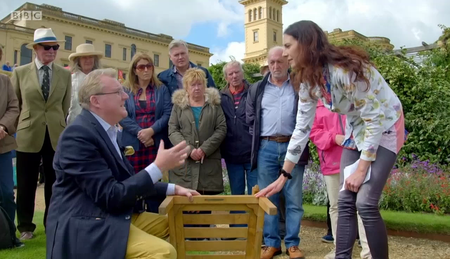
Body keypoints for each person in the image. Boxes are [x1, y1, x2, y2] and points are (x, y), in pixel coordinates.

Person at [256, 20, 405, 259]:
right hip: (357, 130)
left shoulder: (344, 71)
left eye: (288, 45)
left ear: (306, 44)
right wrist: (284, 175)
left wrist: (362, 169)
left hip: (386, 125)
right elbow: (301, 129)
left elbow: (375, 119)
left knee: (365, 203)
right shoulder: (307, 80)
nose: (284, 53)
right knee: (345, 200)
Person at [46, 68, 200, 259]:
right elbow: (111, 195)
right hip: (87, 224)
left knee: (176, 222)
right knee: (163, 252)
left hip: (111, 214)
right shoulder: (77, 136)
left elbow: (126, 182)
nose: (126, 97)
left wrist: (172, 188)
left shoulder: (107, 130)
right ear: (96, 101)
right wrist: (159, 167)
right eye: (118, 92)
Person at [247, 46, 309, 259]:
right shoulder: (257, 89)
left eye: (280, 61)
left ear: (288, 62)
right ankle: (271, 243)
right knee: (268, 197)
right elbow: (250, 117)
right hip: (266, 147)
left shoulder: (299, 86)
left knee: (294, 199)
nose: (275, 66)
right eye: (272, 62)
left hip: (294, 146)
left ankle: (292, 243)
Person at [11, 28, 71, 240]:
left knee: (55, 182)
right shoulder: (19, 73)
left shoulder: (64, 74)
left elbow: (65, 107)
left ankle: (51, 222)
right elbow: (15, 104)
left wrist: (57, 124)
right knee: (26, 182)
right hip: (28, 133)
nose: (52, 51)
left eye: (55, 47)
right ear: (36, 49)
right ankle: (25, 226)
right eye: (47, 47)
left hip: (56, 134)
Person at [310, 99, 371, 259]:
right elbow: (313, 132)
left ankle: (368, 252)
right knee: (336, 205)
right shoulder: (315, 105)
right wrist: (333, 138)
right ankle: (339, 249)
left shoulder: (352, 96)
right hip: (331, 160)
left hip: (356, 158)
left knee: (362, 206)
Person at [120, 52, 172, 212]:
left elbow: (168, 113)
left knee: (154, 183)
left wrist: (151, 131)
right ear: (135, 70)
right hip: (133, 145)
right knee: (133, 183)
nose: (146, 70)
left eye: (149, 66)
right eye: (141, 66)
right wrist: (141, 133)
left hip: (154, 143)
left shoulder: (161, 89)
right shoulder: (125, 90)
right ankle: (134, 220)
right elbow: (121, 114)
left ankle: (154, 218)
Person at [168, 68, 226, 195]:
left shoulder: (214, 105)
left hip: (209, 168)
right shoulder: (178, 106)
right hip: (184, 169)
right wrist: (189, 150)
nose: (197, 88)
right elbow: (173, 130)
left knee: (207, 209)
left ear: (204, 85)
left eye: (199, 84)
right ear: (186, 87)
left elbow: (221, 129)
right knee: (184, 210)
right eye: (193, 85)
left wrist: (204, 149)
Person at [0, 45, 24, 248]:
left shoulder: (5, 82)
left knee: (7, 193)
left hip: (3, 146)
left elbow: (13, 107)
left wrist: (3, 126)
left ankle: (10, 236)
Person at [67, 43, 103, 124]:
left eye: (90, 57)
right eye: (84, 57)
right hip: (75, 124)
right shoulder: (71, 80)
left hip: (97, 125)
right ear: (78, 61)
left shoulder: (102, 79)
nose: (88, 60)